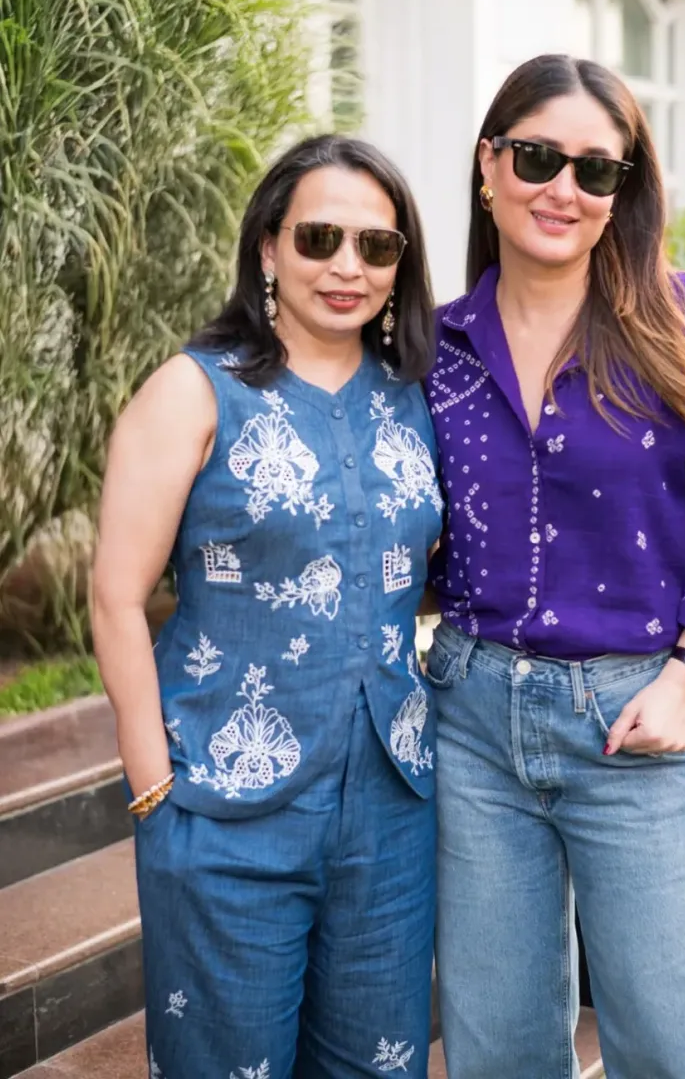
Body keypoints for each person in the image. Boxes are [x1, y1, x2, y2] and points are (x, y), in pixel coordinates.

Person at [423, 54, 685, 1079]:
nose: (563, 190)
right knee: (497, 1052)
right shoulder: (435, 349)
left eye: (595, 170)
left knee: (675, 1048)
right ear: (489, 165)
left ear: (623, 191)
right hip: (473, 725)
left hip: (637, 720)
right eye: (538, 157)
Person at [91, 134, 443, 1079]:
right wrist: (153, 788)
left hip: (392, 809)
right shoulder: (193, 391)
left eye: (377, 246)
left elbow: (409, 569)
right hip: (223, 802)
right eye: (321, 237)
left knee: (379, 1065)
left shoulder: (413, 398)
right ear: (268, 249)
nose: (348, 266)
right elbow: (116, 595)